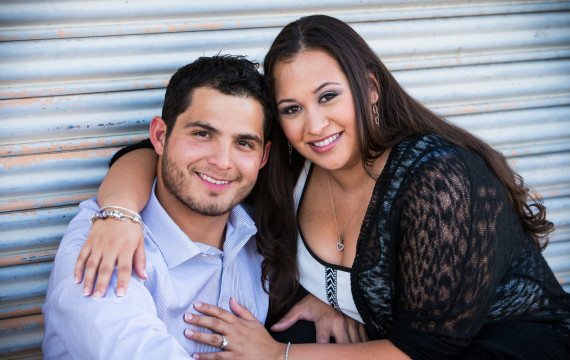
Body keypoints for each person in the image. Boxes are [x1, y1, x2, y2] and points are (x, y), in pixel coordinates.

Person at [74, 15, 570, 360]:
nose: (314, 125)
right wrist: (118, 214)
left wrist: (280, 353)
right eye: (291, 109)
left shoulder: (438, 180)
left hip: (500, 345)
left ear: (370, 90)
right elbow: (158, 154)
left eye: (328, 96)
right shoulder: (286, 166)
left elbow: (427, 351)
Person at [42, 55, 275, 359]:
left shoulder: (259, 234)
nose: (222, 162)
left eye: (244, 143)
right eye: (202, 134)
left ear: (263, 157)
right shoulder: (101, 246)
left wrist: (328, 302)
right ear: (160, 136)